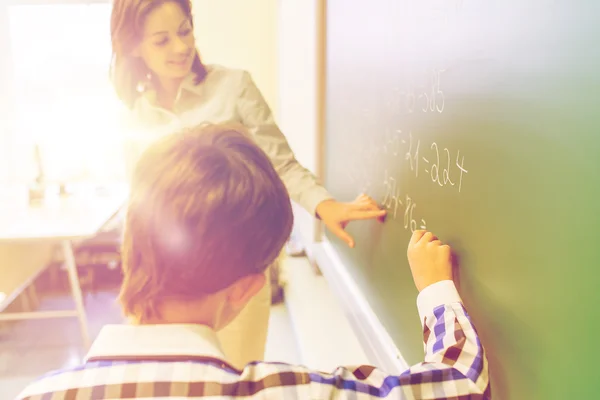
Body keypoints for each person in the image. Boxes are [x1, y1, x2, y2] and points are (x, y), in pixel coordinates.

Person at [17, 124, 490, 400]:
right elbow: (461, 383)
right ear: (245, 290)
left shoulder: (33, 395)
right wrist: (434, 289)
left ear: (129, 246)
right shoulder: (283, 392)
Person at [110, 0, 386, 369]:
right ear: (133, 47)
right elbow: (140, 206)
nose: (180, 47)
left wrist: (324, 205)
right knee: (166, 382)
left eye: (184, 30)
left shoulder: (233, 86)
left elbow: (281, 165)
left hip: (235, 278)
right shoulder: (133, 113)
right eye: (161, 40)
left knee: (234, 380)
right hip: (166, 284)